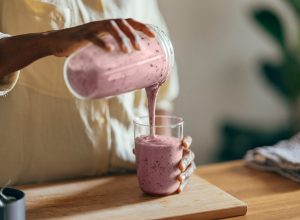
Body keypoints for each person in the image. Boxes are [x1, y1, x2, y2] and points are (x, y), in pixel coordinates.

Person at [0, 0, 195, 192]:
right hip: (29, 197)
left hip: (126, 190)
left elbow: (162, 95)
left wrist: (167, 164)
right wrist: (49, 41)